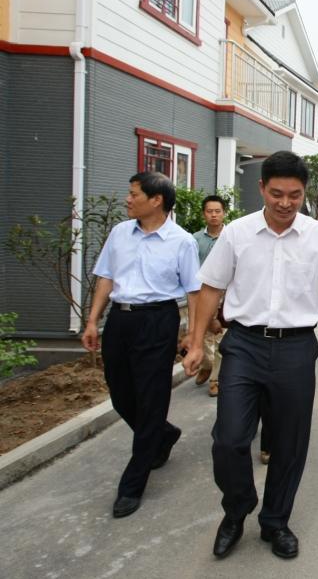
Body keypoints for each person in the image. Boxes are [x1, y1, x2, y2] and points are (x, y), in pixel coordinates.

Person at [182, 151, 318, 561]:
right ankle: (237, 507)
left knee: (290, 443)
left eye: (294, 195)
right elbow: (210, 287)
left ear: (304, 193)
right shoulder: (237, 233)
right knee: (228, 439)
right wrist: (195, 341)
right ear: (262, 188)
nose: (285, 203)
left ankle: (275, 521)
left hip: (296, 347)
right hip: (244, 344)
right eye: (277, 193)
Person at [81, 172, 201, 519]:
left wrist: (193, 336)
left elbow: (194, 292)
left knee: (151, 399)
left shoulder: (181, 242)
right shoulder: (120, 233)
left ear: (156, 200)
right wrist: (93, 320)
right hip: (120, 320)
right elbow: (106, 278)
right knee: (121, 394)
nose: (127, 199)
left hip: (157, 321)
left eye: (134, 194)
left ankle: (132, 484)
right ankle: (163, 434)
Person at [193, 195, 227, 395]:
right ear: (203, 214)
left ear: (224, 213)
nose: (214, 215)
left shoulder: (231, 237)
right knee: (203, 334)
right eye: (209, 211)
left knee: (221, 337)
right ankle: (206, 365)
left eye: (217, 211)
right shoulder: (195, 240)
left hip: (225, 296)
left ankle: (216, 378)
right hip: (201, 295)